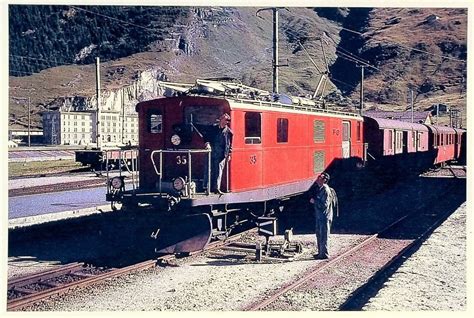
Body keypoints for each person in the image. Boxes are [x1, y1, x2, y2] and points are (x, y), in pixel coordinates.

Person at [202, 113, 233, 195]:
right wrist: (207, 143)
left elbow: (229, 145)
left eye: (226, 120)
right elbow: (206, 137)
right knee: (208, 169)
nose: (225, 121)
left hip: (221, 155)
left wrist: (229, 154)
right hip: (211, 153)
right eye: (223, 119)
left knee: (218, 171)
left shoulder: (229, 132)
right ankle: (206, 187)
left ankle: (217, 188)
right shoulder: (213, 128)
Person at [309, 172, 334, 259]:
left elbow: (325, 205)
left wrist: (314, 201)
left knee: (324, 235)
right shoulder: (320, 188)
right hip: (320, 216)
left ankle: (325, 254)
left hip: (324, 217)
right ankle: (320, 253)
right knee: (319, 234)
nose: (318, 178)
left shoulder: (325, 190)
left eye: (320, 177)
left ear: (324, 180)